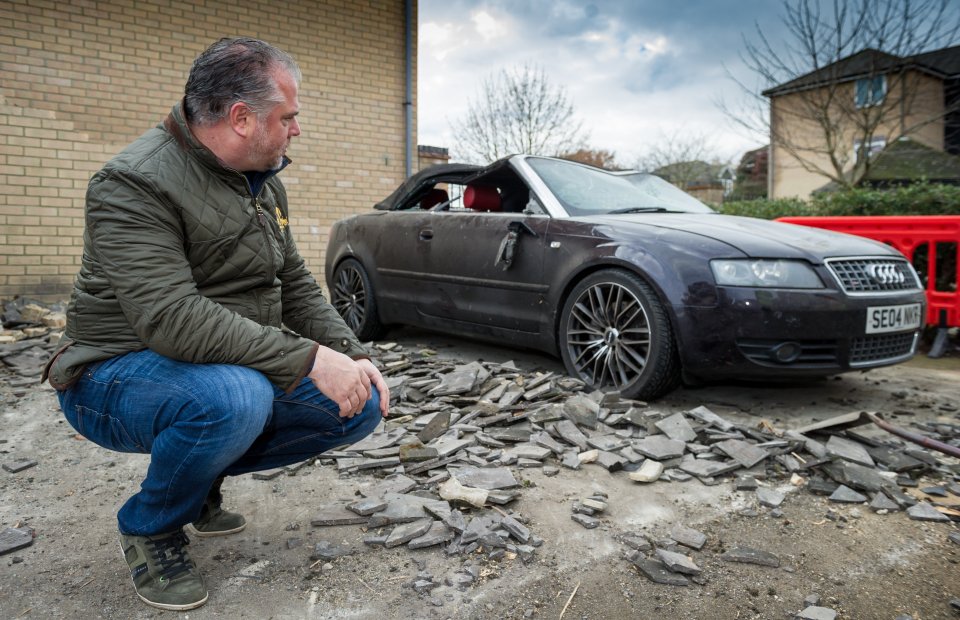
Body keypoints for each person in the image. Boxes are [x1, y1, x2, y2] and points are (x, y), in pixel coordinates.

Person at [42, 37, 389, 611]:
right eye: (289, 116)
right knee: (235, 398)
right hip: (110, 375)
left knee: (358, 403)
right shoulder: (132, 183)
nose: (296, 130)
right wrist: (307, 359)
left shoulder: (261, 180)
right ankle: (151, 525)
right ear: (242, 118)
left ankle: (196, 480)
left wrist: (351, 354)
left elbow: (295, 283)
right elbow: (171, 320)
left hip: (210, 367)